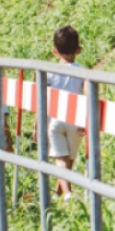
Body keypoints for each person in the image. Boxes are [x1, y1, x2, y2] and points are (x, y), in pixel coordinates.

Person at [47, 25, 86, 200]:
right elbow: (88, 96)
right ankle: (61, 194)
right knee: (69, 158)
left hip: (55, 119)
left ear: (54, 51)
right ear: (79, 50)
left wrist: (37, 125)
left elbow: (42, 99)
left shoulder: (49, 72)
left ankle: (65, 193)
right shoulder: (83, 72)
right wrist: (87, 120)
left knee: (60, 158)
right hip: (75, 119)